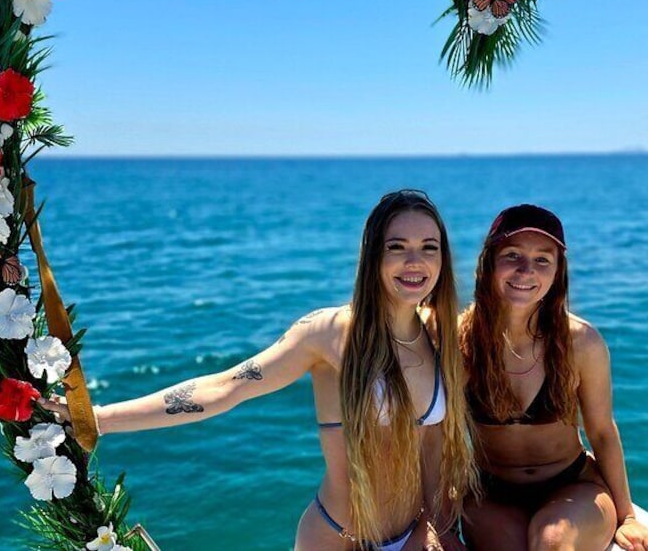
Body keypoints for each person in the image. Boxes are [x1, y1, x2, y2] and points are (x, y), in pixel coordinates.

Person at [41, 190, 478, 551]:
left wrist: (437, 527)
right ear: (373, 256)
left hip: (411, 536)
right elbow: (225, 387)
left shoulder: (438, 335)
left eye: (428, 247)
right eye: (397, 247)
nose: (414, 261)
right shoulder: (331, 333)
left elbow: (432, 450)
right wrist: (98, 419)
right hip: (337, 538)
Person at [458, 204, 648, 551]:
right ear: (489, 262)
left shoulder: (581, 342)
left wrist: (628, 516)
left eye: (542, 259)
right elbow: (434, 436)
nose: (526, 270)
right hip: (492, 493)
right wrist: (434, 518)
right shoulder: (459, 342)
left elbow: (602, 432)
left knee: (553, 541)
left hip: (573, 485)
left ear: (557, 272)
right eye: (512, 255)